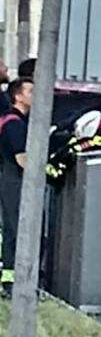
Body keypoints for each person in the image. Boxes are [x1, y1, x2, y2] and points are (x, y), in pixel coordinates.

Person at [0, 73, 33, 299]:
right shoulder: (14, 125)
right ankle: (11, 282)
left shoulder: (10, 120)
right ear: (18, 97)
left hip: (8, 178)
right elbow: (23, 160)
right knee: (16, 231)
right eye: (31, 92)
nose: (36, 96)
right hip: (13, 180)